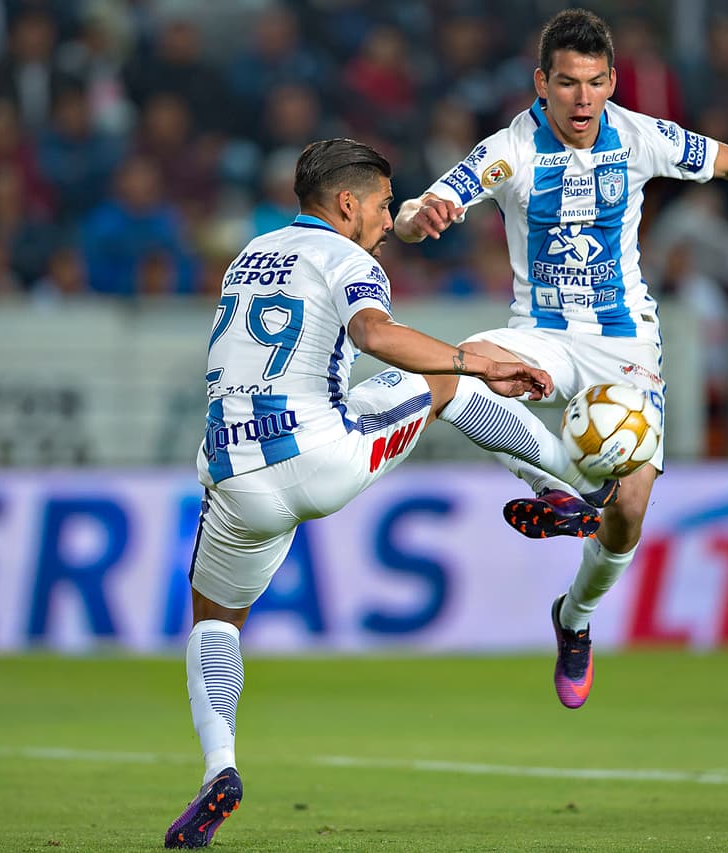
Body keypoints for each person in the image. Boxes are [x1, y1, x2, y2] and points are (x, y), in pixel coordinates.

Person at [393, 9, 728, 711]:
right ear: (541, 83)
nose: (582, 99)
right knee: (445, 371)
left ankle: (575, 618)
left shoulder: (640, 135)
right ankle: (559, 488)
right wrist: (419, 217)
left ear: (614, 81)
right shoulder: (510, 149)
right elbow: (428, 204)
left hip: (624, 345)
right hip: (541, 332)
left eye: (595, 82)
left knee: (627, 512)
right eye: (567, 83)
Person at [165, 137, 616, 849]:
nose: (387, 218)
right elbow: (375, 333)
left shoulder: (250, 253)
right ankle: (563, 483)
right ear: (346, 203)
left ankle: (219, 767)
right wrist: (474, 361)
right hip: (319, 455)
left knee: (214, 624)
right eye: (381, 204)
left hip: (233, 473)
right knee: (447, 376)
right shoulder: (350, 259)